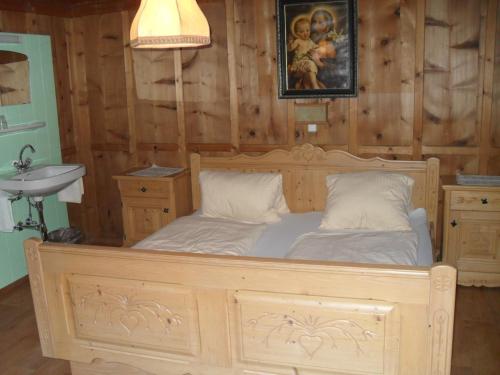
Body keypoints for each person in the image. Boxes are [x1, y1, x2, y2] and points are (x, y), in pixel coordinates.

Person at [287, 16, 325, 89]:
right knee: (309, 65)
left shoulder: (310, 41)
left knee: (311, 66)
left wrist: (319, 48)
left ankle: (314, 85)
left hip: (308, 62)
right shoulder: (298, 41)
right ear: (296, 33)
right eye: (301, 31)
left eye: (307, 30)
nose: (305, 33)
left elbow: (316, 47)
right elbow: (290, 49)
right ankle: (313, 85)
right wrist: (290, 42)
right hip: (299, 61)